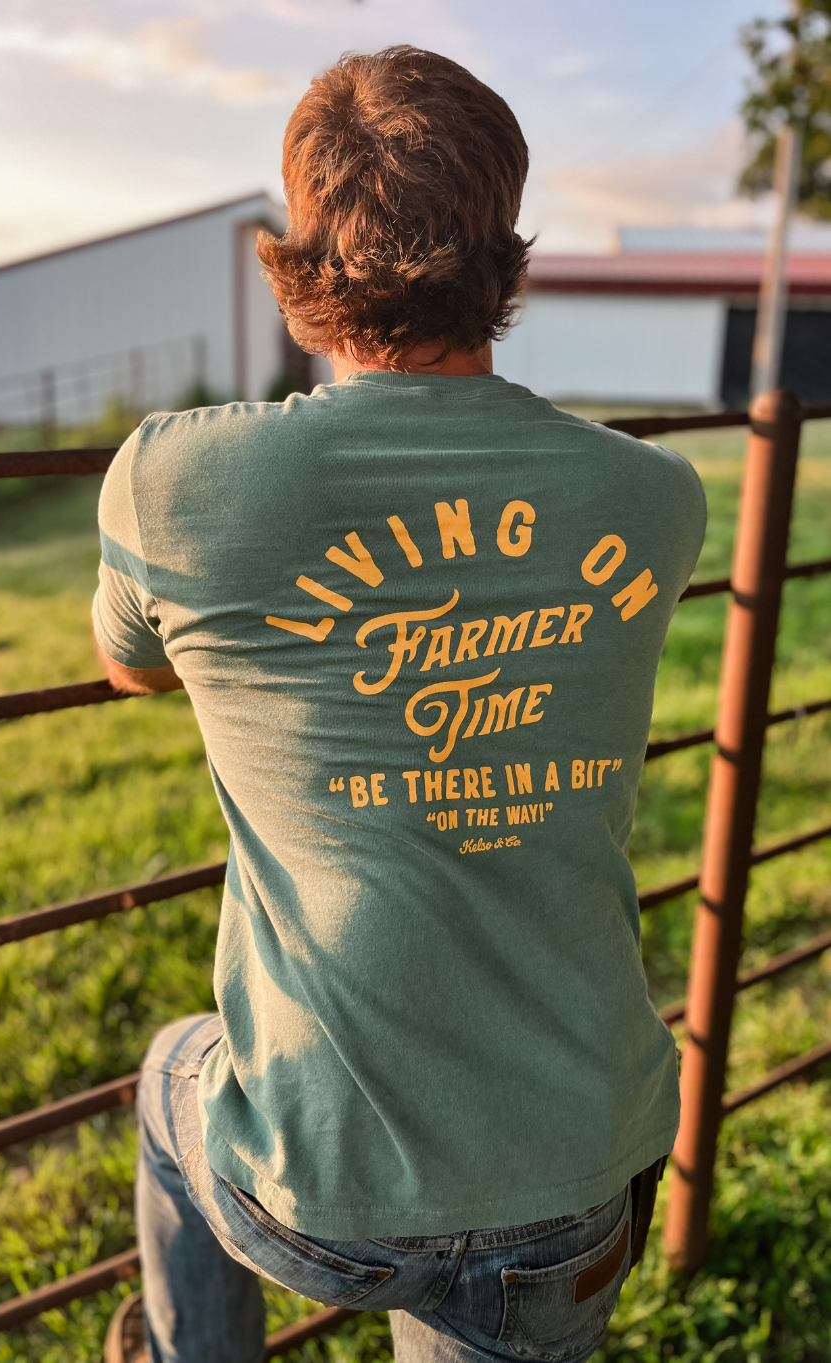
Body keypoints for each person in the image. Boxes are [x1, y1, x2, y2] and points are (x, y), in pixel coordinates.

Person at [93, 46, 706, 1363]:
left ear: (306, 247)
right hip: (568, 1169)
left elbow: (131, 664)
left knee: (167, 1077)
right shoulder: (653, 501)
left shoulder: (173, 480)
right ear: (503, 243)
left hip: (310, 1177)